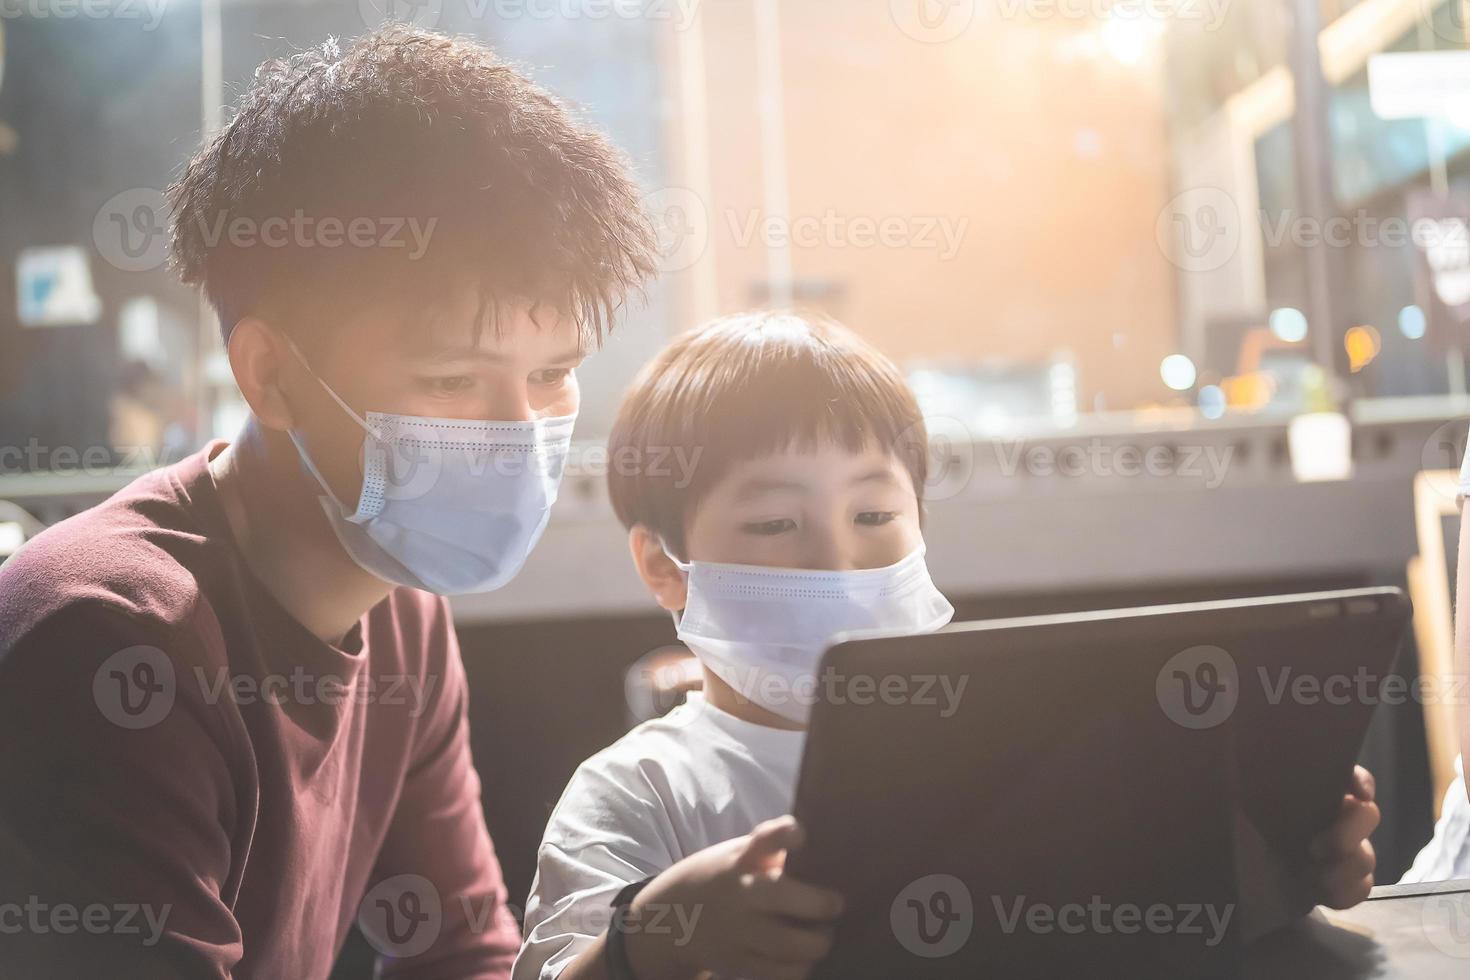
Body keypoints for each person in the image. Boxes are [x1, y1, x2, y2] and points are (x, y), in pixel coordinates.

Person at [0, 26, 655, 979]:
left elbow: (458, 953)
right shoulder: (114, 638)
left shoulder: (399, 607)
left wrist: (638, 955)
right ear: (271, 374)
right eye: (451, 381)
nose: (518, 432)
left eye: (553, 374)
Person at [514, 311, 1384, 980]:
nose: (836, 557)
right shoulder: (639, 793)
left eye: (875, 515)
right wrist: (655, 934)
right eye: (776, 522)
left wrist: (1282, 867)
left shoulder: (1033, 737)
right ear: (666, 569)